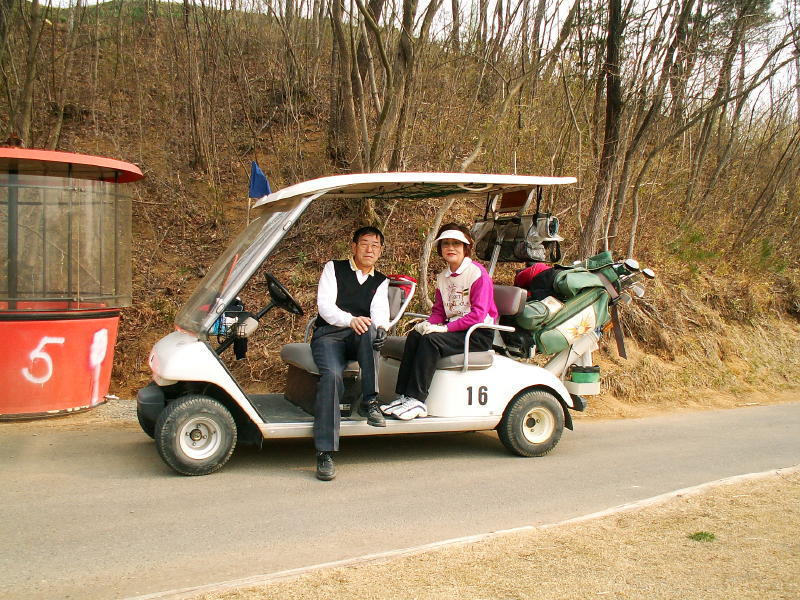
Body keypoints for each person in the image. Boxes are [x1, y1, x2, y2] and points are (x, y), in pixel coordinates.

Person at [383, 223, 498, 420]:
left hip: (477, 333)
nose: (450, 248)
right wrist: (430, 324)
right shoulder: (443, 277)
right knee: (416, 336)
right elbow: (439, 310)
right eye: (446, 244)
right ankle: (404, 395)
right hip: (455, 330)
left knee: (431, 341)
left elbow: (478, 315)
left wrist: (445, 329)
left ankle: (417, 399)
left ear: (465, 248)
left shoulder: (477, 274)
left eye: (456, 244)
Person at [311, 226, 390, 481]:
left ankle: (370, 402)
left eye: (375, 245)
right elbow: (325, 307)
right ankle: (325, 452)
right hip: (330, 335)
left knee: (371, 331)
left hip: (359, 337)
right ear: (354, 246)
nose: (369, 249)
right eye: (364, 243)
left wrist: (382, 328)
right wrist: (350, 320)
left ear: (380, 251)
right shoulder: (334, 268)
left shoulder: (380, 280)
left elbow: (380, 312)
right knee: (332, 376)